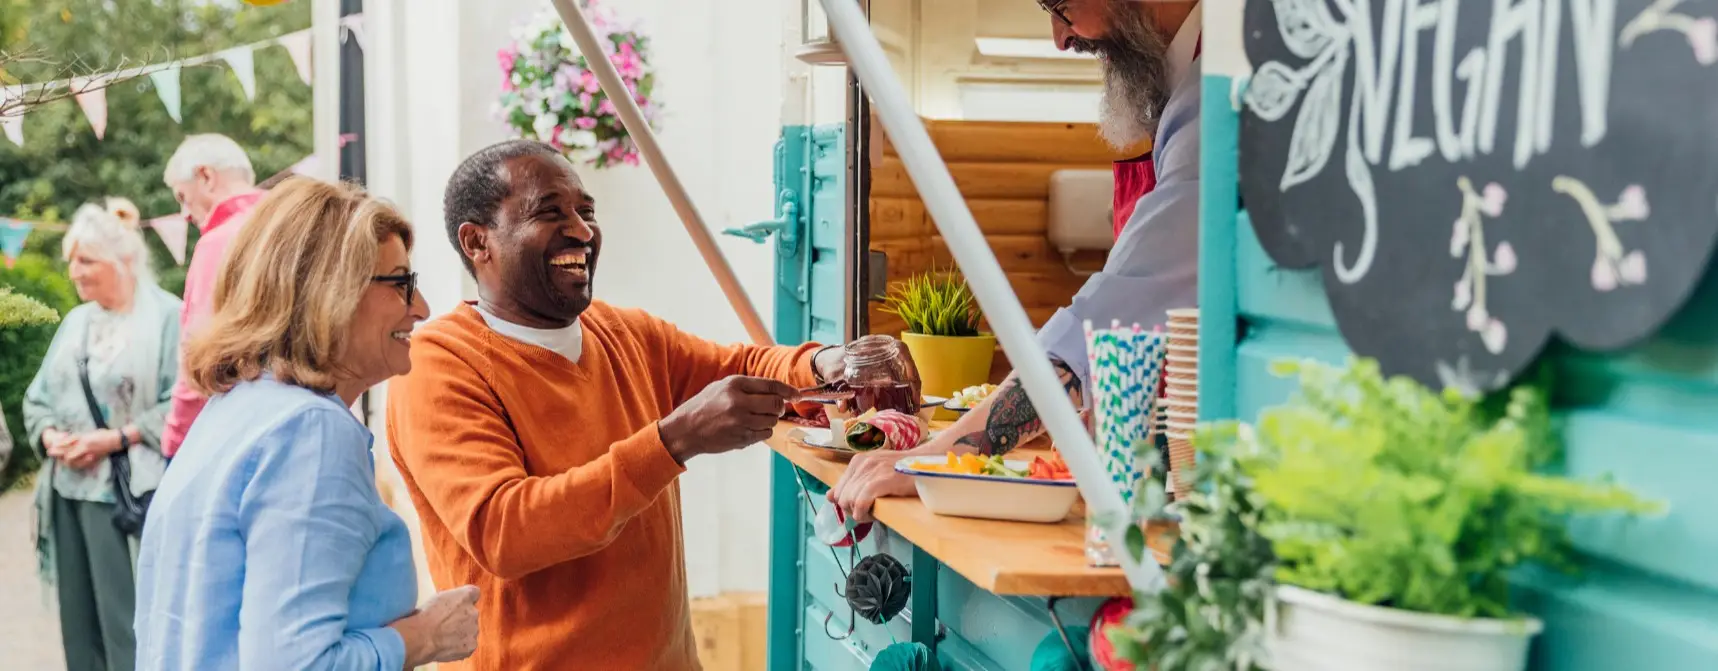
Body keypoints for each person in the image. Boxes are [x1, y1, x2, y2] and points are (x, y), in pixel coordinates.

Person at [385, 139, 850, 670]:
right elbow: (504, 531)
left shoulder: (624, 333)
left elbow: (742, 367)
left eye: (585, 212)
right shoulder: (438, 364)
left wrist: (829, 365)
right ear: (477, 241)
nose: (582, 232)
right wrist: (674, 441)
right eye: (550, 212)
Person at [832, 0, 1203, 521]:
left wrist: (939, 456)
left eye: (1061, 6)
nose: (1059, 38)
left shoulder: (1218, 95)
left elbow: (1109, 315)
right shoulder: (1186, 80)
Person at [133, 178, 480, 670]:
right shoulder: (310, 432)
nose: (420, 306)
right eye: (401, 281)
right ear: (332, 291)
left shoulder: (238, 409)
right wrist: (425, 637)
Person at [23, 202, 180, 671]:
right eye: (72, 259)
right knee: (80, 627)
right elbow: (38, 398)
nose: (74, 271)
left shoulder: (168, 318)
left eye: (86, 259)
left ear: (123, 259)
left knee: (126, 624)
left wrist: (112, 440)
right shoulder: (76, 323)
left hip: (128, 499)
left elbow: (184, 404)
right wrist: (51, 436)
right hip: (68, 493)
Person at [158, 133, 265, 458]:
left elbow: (199, 357)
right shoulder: (298, 226)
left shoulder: (220, 243)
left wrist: (175, 441)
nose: (184, 213)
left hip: (237, 435)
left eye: (182, 196)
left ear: (205, 176)